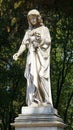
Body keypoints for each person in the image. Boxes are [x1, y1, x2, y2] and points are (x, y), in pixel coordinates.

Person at [13, 9, 53, 107]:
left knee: (41, 76)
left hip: (41, 56)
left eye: (34, 18)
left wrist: (37, 40)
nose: (33, 20)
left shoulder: (44, 29)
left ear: (38, 18)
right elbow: (23, 44)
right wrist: (18, 53)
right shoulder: (28, 32)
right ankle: (34, 100)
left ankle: (45, 100)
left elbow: (48, 41)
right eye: (31, 19)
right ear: (29, 20)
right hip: (31, 56)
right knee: (32, 76)